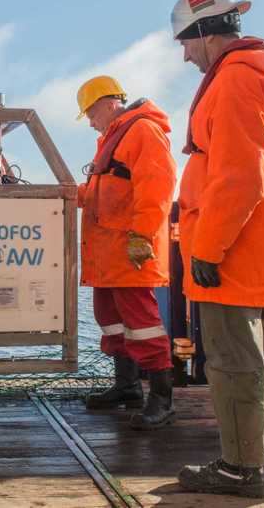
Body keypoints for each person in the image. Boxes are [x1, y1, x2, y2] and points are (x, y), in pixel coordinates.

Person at [170, 0, 264, 498]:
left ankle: (241, 468)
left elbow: (239, 178)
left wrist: (208, 249)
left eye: (185, 42)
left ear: (204, 33)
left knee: (232, 359)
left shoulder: (236, 83)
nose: (183, 54)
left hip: (233, 251)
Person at [76, 75, 177, 430]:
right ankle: (128, 386)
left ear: (107, 103)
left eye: (89, 113)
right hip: (107, 254)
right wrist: (64, 193)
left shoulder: (143, 131)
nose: (89, 122)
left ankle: (163, 400)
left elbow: (158, 186)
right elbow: (99, 191)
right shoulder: (113, 139)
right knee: (111, 320)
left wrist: (142, 236)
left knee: (143, 324)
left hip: (128, 250)